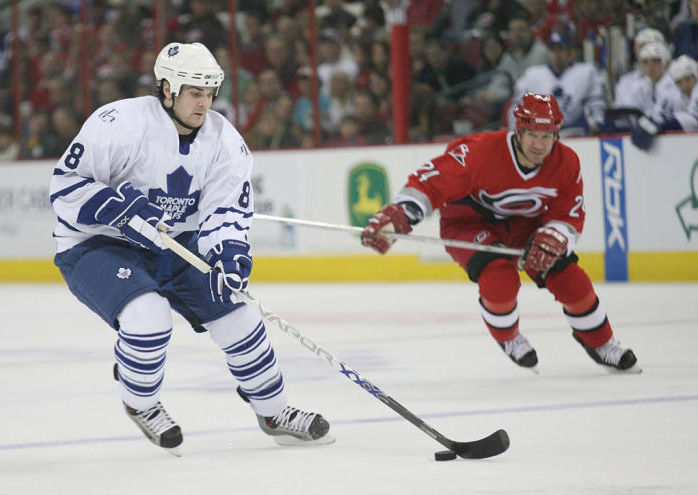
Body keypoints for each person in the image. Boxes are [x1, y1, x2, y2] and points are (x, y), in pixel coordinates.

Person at [48, 42, 334, 455]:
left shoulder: (224, 141)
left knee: (240, 316)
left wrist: (228, 252)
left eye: (210, 93)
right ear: (167, 88)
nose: (204, 103)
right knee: (148, 319)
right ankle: (141, 402)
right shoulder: (118, 122)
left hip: (175, 245)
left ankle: (274, 412)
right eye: (194, 93)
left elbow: (225, 210)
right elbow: (66, 187)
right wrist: (122, 212)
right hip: (97, 244)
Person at [360, 93, 640, 373]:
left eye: (547, 136)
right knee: (499, 279)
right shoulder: (480, 151)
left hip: (526, 225)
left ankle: (601, 343)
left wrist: (555, 236)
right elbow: (432, 183)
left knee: (572, 281)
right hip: (469, 224)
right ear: (518, 130)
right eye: (532, 134)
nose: (540, 145)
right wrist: (398, 216)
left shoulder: (566, 162)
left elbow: (568, 214)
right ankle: (509, 338)